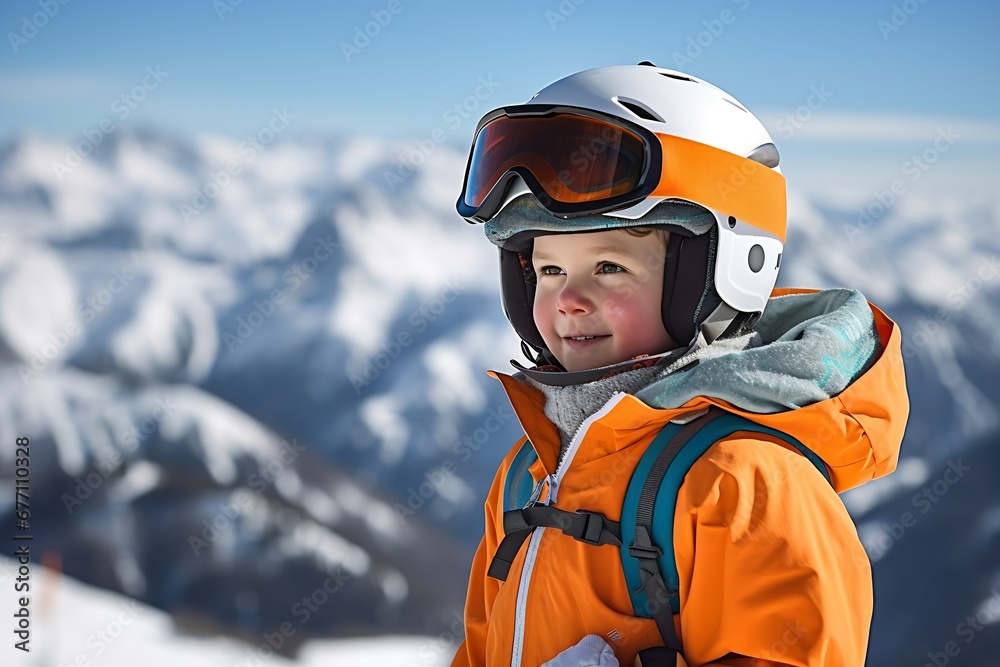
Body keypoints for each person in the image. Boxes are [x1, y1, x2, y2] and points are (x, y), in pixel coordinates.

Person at [449, 63, 909, 667]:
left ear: (717, 273)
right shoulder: (529, 468)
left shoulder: (745, 482)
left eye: (609, 267)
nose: (567, 299)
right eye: (548, 269)